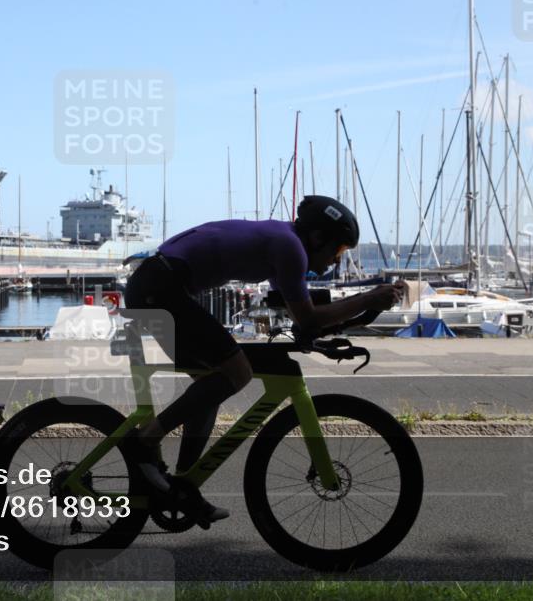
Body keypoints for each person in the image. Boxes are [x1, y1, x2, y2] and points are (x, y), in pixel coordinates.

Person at [122, 195, 404, 523]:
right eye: (338, 251)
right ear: (318, 237)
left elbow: (301, 317)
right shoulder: (289, 247)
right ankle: (144, 441)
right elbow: (309, 319)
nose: (336, 261)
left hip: (157, 283)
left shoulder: (284, 243)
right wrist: (369, 297)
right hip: (162, 286)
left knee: (212, 380)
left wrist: (359, 313)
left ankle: (181, 485)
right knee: (237, 372)